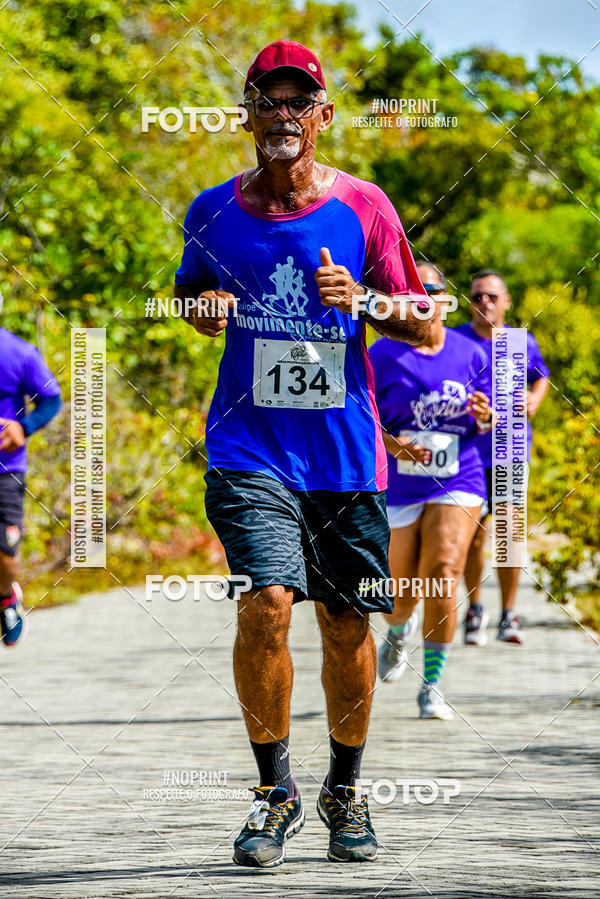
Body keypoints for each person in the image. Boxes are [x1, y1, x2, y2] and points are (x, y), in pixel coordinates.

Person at [174, 40, 433, 868]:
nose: (282, 116)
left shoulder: (364, 205)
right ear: (244, 113)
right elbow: (188, 293)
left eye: (299, 103)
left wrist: (365, 300)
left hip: (345, 457)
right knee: (267, 603)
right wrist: (203, 306)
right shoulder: (213, 211)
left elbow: (424, 324)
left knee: (348, 619)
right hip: (248, 448)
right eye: (267, 100)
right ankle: (274, 792)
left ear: (323, 116)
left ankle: (345, 790)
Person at [370, 262, 493, 719]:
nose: (421, 297)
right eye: (410, 290)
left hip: (459, 476)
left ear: (444, 300)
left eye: (431, 290)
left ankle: (432, 685)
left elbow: (491, 420)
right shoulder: (382, 355)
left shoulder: (470, 353)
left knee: (442, 572)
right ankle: (400, 629)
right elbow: (362, 420)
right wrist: (393, 444)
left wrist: (485, 414)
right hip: (399, 484)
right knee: (398, 593)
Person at [455, 270, 549, 645]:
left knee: (510, 533)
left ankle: (510, 614)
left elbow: (540, 375)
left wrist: (535, 399)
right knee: (472, 536)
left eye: (493, 296)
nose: (485, 303)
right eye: (478, 296)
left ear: (507, 301)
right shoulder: (454, 340)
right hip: (466, 454)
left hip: (510, 450)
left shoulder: (519, 341)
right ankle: (475, 608)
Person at [0, 327, 62, 646]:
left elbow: (52, 400)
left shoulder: (18, 353)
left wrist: (23, 427)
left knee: (6, 553)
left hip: (5, 469)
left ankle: (6, 597)